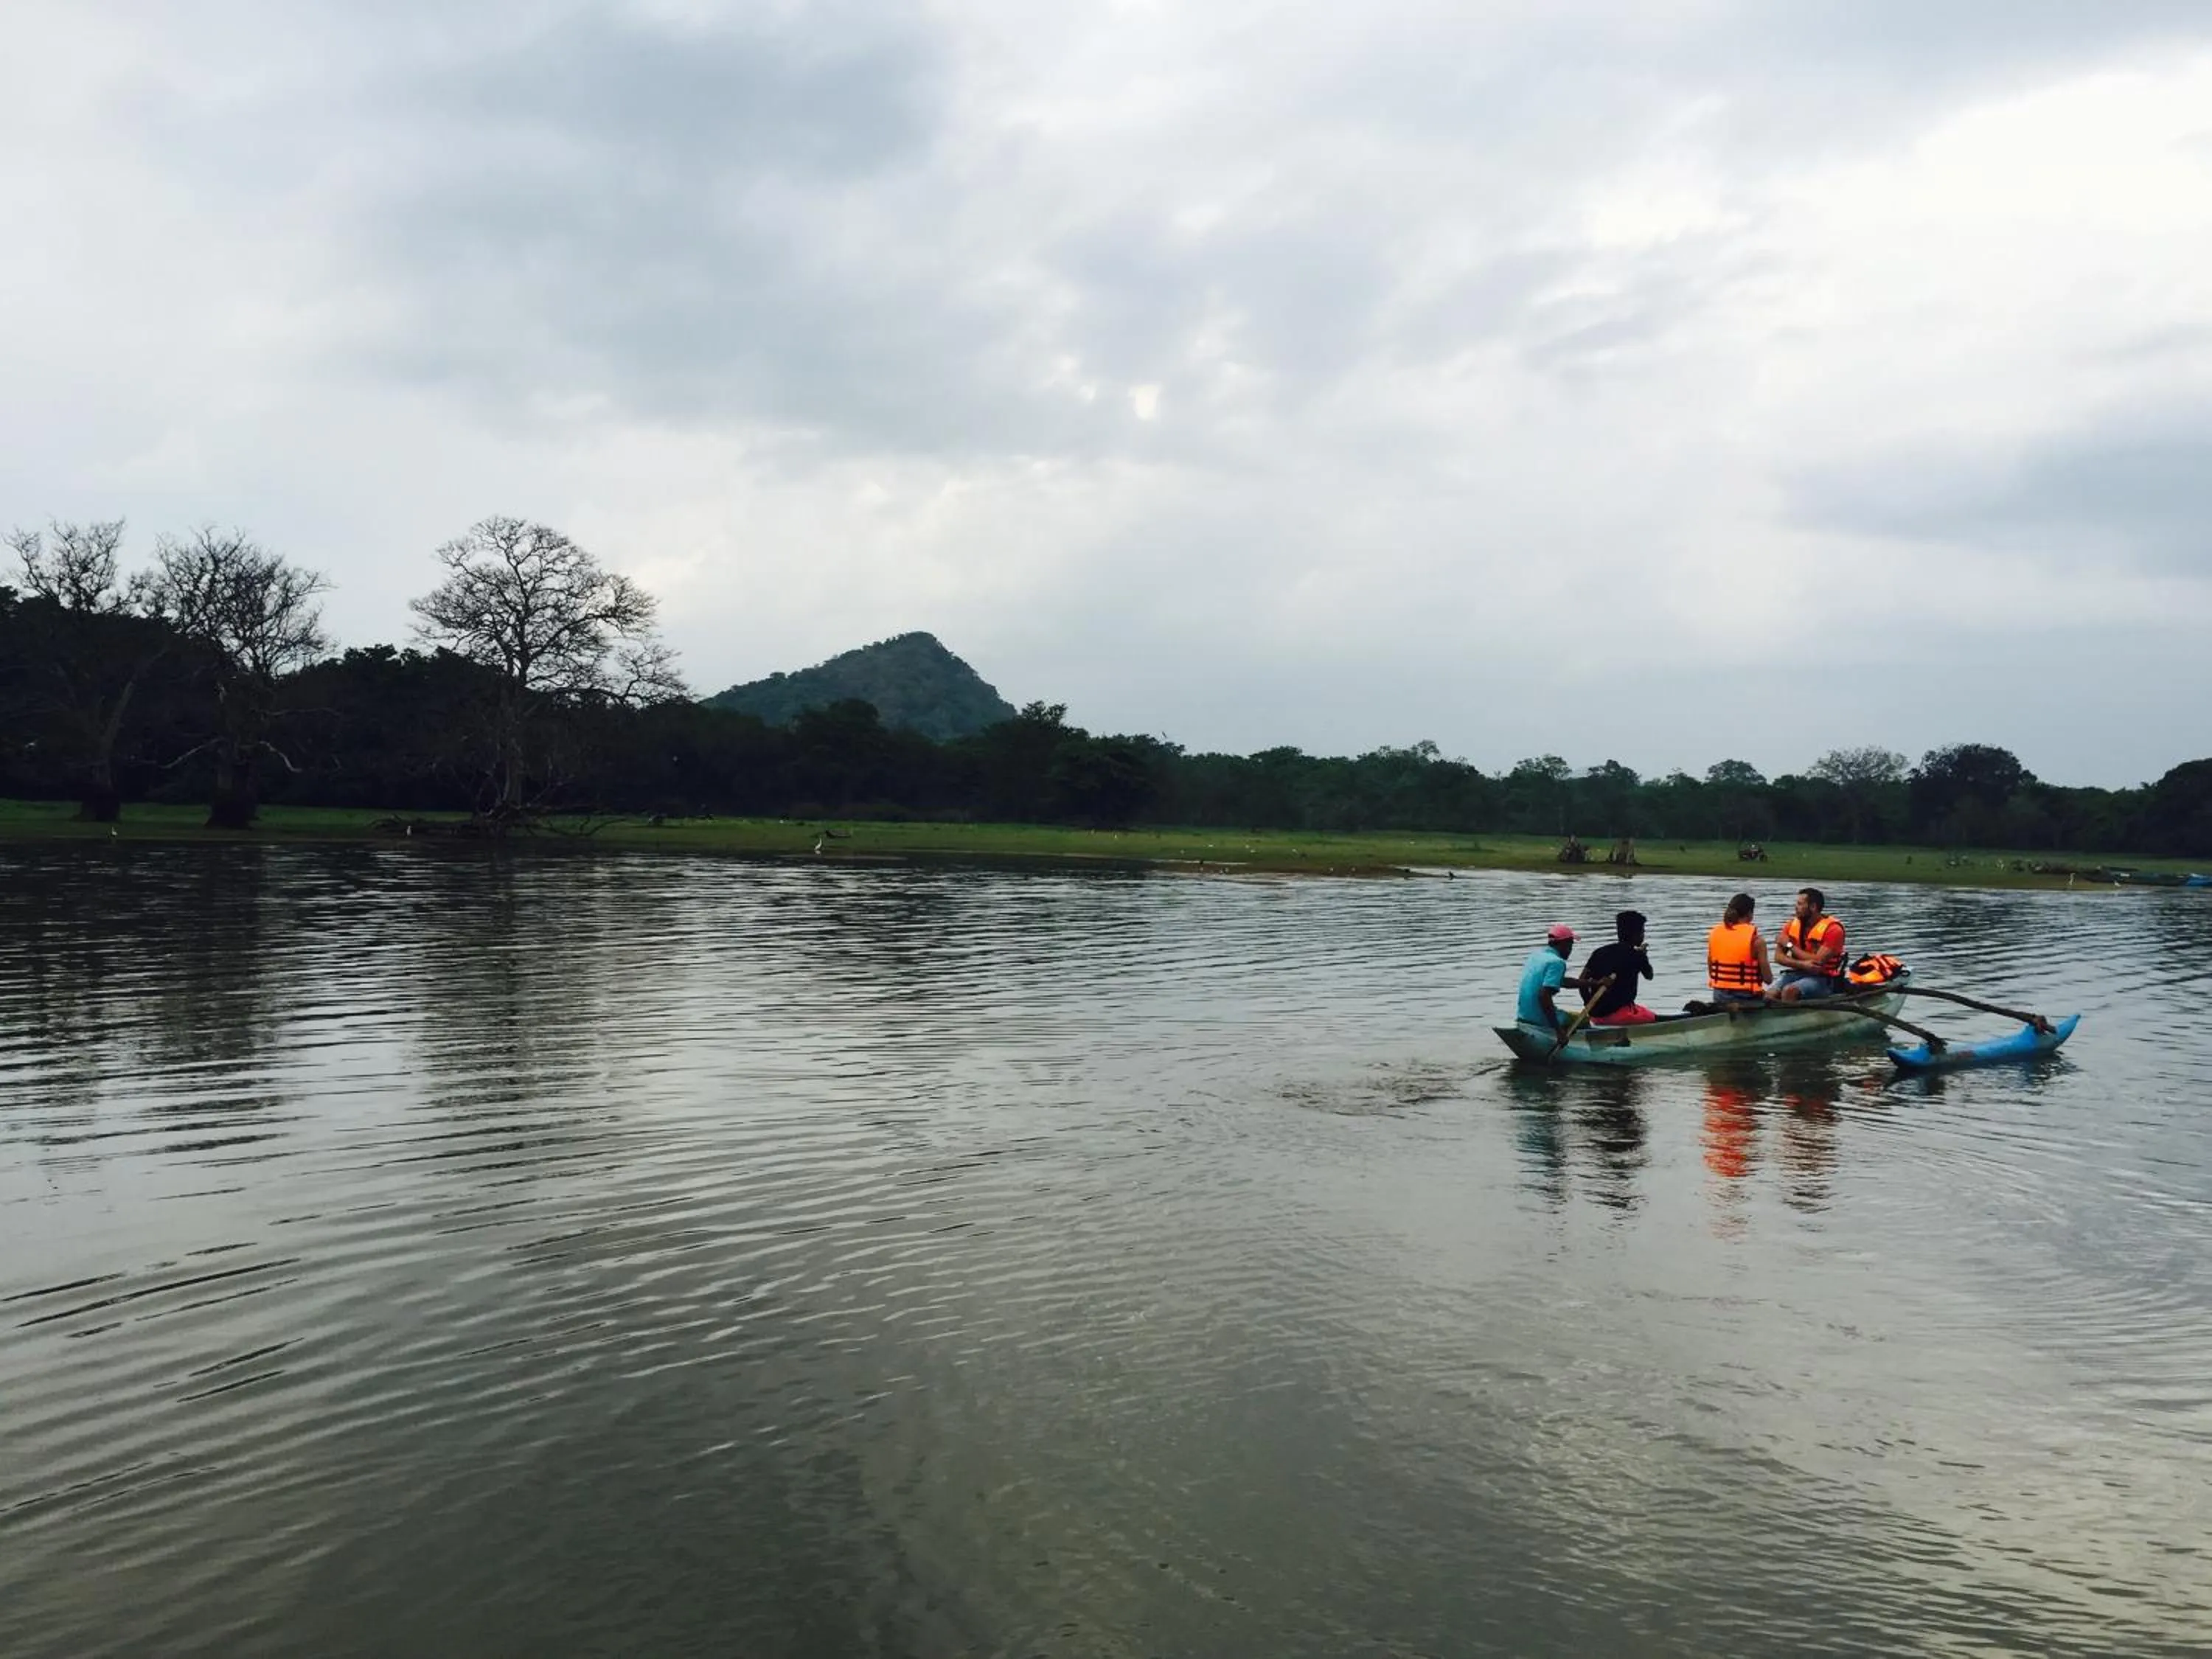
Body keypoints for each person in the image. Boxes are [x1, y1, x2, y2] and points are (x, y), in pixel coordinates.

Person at [1769, 886, 1846, 1001]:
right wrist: (1803, 965)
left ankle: (1791, 1017)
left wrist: (1789, 945)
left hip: (1823, 979)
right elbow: (1778, 957)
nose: (1796, 907)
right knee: (1770, 994)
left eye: (1800, 904)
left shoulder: (1834, 930)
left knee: (1789, 991)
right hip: (1795, 974)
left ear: (1813, 907)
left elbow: (1817, 962)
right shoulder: (1790, 926)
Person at [1582, 909, 1656, 1024]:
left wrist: (1589, 1005)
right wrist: (1643, 957)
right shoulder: (1637, 956)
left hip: (1595, 1016)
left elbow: (1582, 981)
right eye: (1642, 932)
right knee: (1653, 1018)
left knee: (1642, 1010)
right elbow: (1649, 976)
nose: (1643, 935)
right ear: (1636, 934)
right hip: (1621, 1017)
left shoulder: (1599, 952)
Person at [1516, 924, 1589, 1029]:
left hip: (1524, 1016)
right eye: (1571, 945)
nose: (1570, 950)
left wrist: (1593, 984)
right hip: (1540, 1019)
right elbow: (1544, 996)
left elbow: (1563, 981)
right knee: (1584, 1020)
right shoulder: (1557, 963)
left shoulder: (1536, 956)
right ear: (1563, 944)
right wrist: (1558, 1030)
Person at [1705, 892, 1770, 1004]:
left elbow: (1712, 971)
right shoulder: (1757, 942)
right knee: (1770, 997)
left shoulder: (1714, 934)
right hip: (1746, 998)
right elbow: (1768, 979)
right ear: (1750, 914)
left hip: (1719, 996)